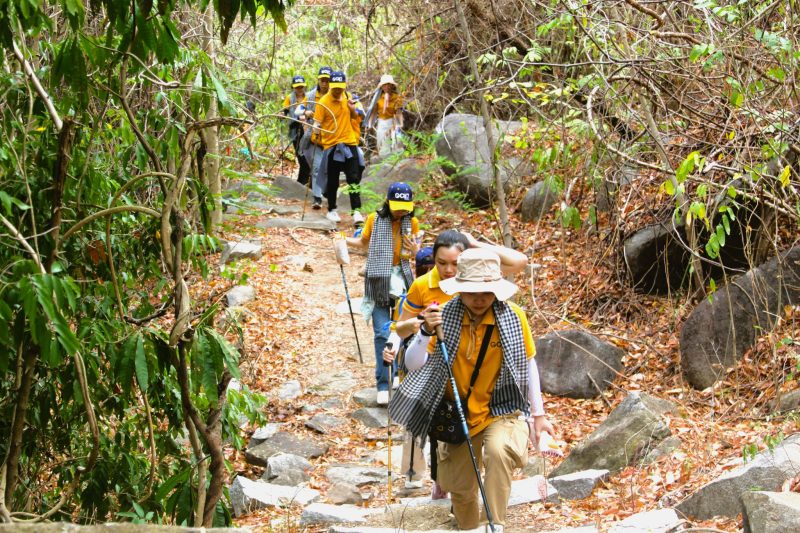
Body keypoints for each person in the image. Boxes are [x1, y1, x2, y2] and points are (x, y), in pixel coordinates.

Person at [393, 248, 557, 530]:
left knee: (499, 450)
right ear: (459, 290)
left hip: (501, 409)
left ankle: (495, 523)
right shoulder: (443, 318)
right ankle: (470, 526)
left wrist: (538, 416)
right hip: (456, 414)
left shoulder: (514, 318)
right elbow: (413, 364)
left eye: (486, 291)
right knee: (462, 490)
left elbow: (528, 365)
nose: (479, 298)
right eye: (471, 291)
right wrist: (424, 333)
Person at [384, 229, 528, 500]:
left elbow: (519, 261)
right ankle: (442, 485)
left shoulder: (483, 281)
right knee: (441, 427)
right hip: (430, 363)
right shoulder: (424, 285)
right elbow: (402, 324)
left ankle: (457, 491)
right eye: (442, 262)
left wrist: (476, 244)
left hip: (476, 373)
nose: (449, 269)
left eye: (455, 262)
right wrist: (411, 332)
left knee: (471, 435)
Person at [346, 182, 420, 405]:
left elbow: (414, 253)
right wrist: (342, 240)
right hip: (378, 280)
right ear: (387, 202)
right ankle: (383, 383)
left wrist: (416, 250)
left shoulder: (412, 223)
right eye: (397, 206)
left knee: (399, 330)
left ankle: (396, 372)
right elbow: (362, 242)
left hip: (403, 282)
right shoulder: (374, 219)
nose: (400, 211)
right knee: (381, 332)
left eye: (404, 206)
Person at [310, 71, 364, 224]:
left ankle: (356, 212)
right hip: (332, 145)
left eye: (340, 87)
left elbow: (354, 117)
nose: (337, 91)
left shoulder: (348, 97)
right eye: (335, 88)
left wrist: (352, 108)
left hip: (349, 142)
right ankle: (332, 210)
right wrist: (316, 129)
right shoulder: (324, 102)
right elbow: (317, 123)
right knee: (332, 180)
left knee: (353, 178)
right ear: (331, 86)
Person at [302, 66, 332, 209]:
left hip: (331, 138)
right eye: (322, 80)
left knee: (327, 168)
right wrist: (306, 113)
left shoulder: (337, 96)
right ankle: (317, 198)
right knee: (316, 167)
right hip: (314, 138)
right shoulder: (310, 96)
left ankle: (325, 191)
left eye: (327, 80)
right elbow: (298, 110)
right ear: (318, 80)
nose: (324, 83)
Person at [281, 75, 311, 185]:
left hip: (307, 128)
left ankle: (305, 179)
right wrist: (282, 115)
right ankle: (303, 180)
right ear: (293, 87)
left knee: (307, 154)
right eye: (297, 87)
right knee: (300, 154)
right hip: (295, 128)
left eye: (301, 87)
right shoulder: (290, 98)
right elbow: (285, 110)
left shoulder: (309, 97)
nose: (299, 89)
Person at [367, 74, 404, 157]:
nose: (386, 87)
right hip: (382, 122)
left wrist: (399, 125)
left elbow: (398, 112)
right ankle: (385, 165)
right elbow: (374, 112)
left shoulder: (396, 98)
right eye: (384, 85)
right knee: (383, 145)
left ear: (391, 85)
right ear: (382, 86)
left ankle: (397, 163)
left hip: (393, 121)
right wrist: (369, 124)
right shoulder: (378, 98)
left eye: (388, 84)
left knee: (397, 142)